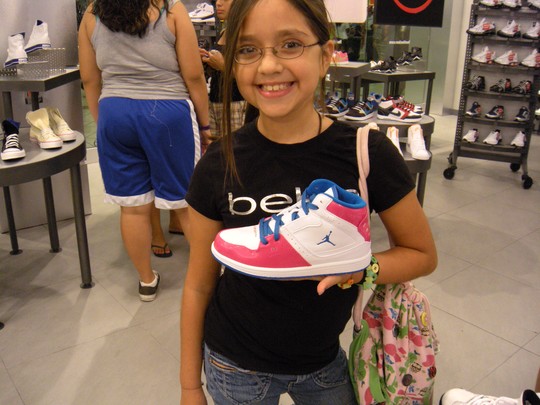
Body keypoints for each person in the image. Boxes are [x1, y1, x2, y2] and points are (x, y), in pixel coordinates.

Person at [180, 0, 437, 403]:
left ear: (325, 54)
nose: (268, 66)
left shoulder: (366, 152)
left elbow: (421, 254)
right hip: (234, 364)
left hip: (325, 362)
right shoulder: (218, 162)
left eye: (290, 44)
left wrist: (357, 271)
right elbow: (198, 284)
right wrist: (189, 385)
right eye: (247, 49)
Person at [78, 0, 210, 301]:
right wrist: (204, 125)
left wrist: (103, 119)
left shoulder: (93, 12)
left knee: (132, 206)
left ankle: (146, 280)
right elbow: (193, 75)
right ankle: (209, 277)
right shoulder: (170, 8)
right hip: (166, 112)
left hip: (114, 111)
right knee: (185, 202)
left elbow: (89, 78)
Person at [199, 0, 246, 137]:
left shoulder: (244, 34)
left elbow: (251, 75)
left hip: (235, 104)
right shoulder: (224, 31)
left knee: (234, 148)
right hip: (215, 103)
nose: (218, 3)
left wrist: (223, 65)